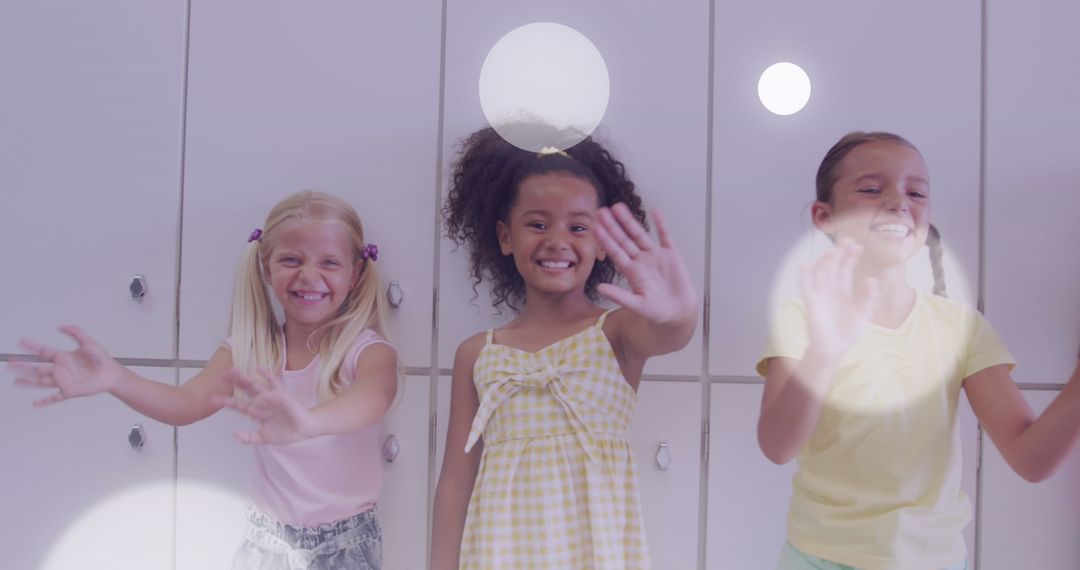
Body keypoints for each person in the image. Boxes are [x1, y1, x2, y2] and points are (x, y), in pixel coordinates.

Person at [10, 190, 398, 569]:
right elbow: (185, 404)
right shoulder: (249, 351)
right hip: (265, 544)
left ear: (355, 272)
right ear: (266, 267)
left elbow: (373, 397)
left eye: (329, 262)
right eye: (291, 259)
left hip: (346, 549)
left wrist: (310, 421)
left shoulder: (367, 352)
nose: (309, 275)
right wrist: (116, 378)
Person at [757, 131, 1080, 570]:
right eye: (872, 189)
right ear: (824, 216)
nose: (898, 201)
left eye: (917, 192)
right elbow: (777, 446)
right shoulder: (801, 317)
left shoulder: (961, 328)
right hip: (817, 558)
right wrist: (826, 350)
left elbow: (1032, 458)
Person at [430, 126, 698, 570]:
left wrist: (679, 311)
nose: (557, 240)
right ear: (504, 236)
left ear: (602, 245)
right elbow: (455, 484)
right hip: (499, 555)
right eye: (537, 224)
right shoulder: (477, 353)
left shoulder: (615, 332)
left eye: (578, 226)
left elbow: (671, 333)